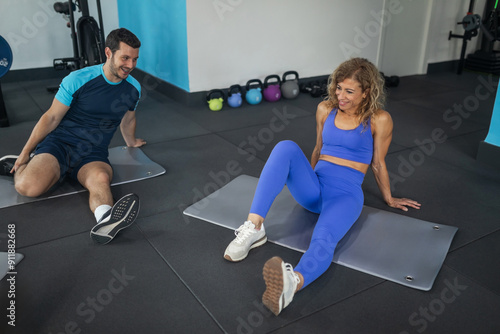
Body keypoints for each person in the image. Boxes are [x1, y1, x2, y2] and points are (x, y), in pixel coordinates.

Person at [223, 58, 421, 316]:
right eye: (339, 88)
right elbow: (317, 149)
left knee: (324, 238)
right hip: (315, 189)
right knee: (285, 147)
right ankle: (254, 228)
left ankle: (292, 284)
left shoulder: (379, 119)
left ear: (367, 92)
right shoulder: (325, 109)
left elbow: (378, 163)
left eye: (349, 91)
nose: (341, 96)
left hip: (345, 195)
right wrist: (307, 177)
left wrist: (390, 198)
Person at [0, 28, 145, 245]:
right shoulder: (78, 79)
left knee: (101, 179)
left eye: (135, 59)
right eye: (125, 58)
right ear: (108, 52)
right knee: (28, 188)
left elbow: (128, 119)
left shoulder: (133, 88)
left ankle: (106, 221)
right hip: (59, 144)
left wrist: (131, 142)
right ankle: (21, 165)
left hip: (92, 153)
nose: (131, 65)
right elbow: (50, 118)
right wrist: (25, 152)